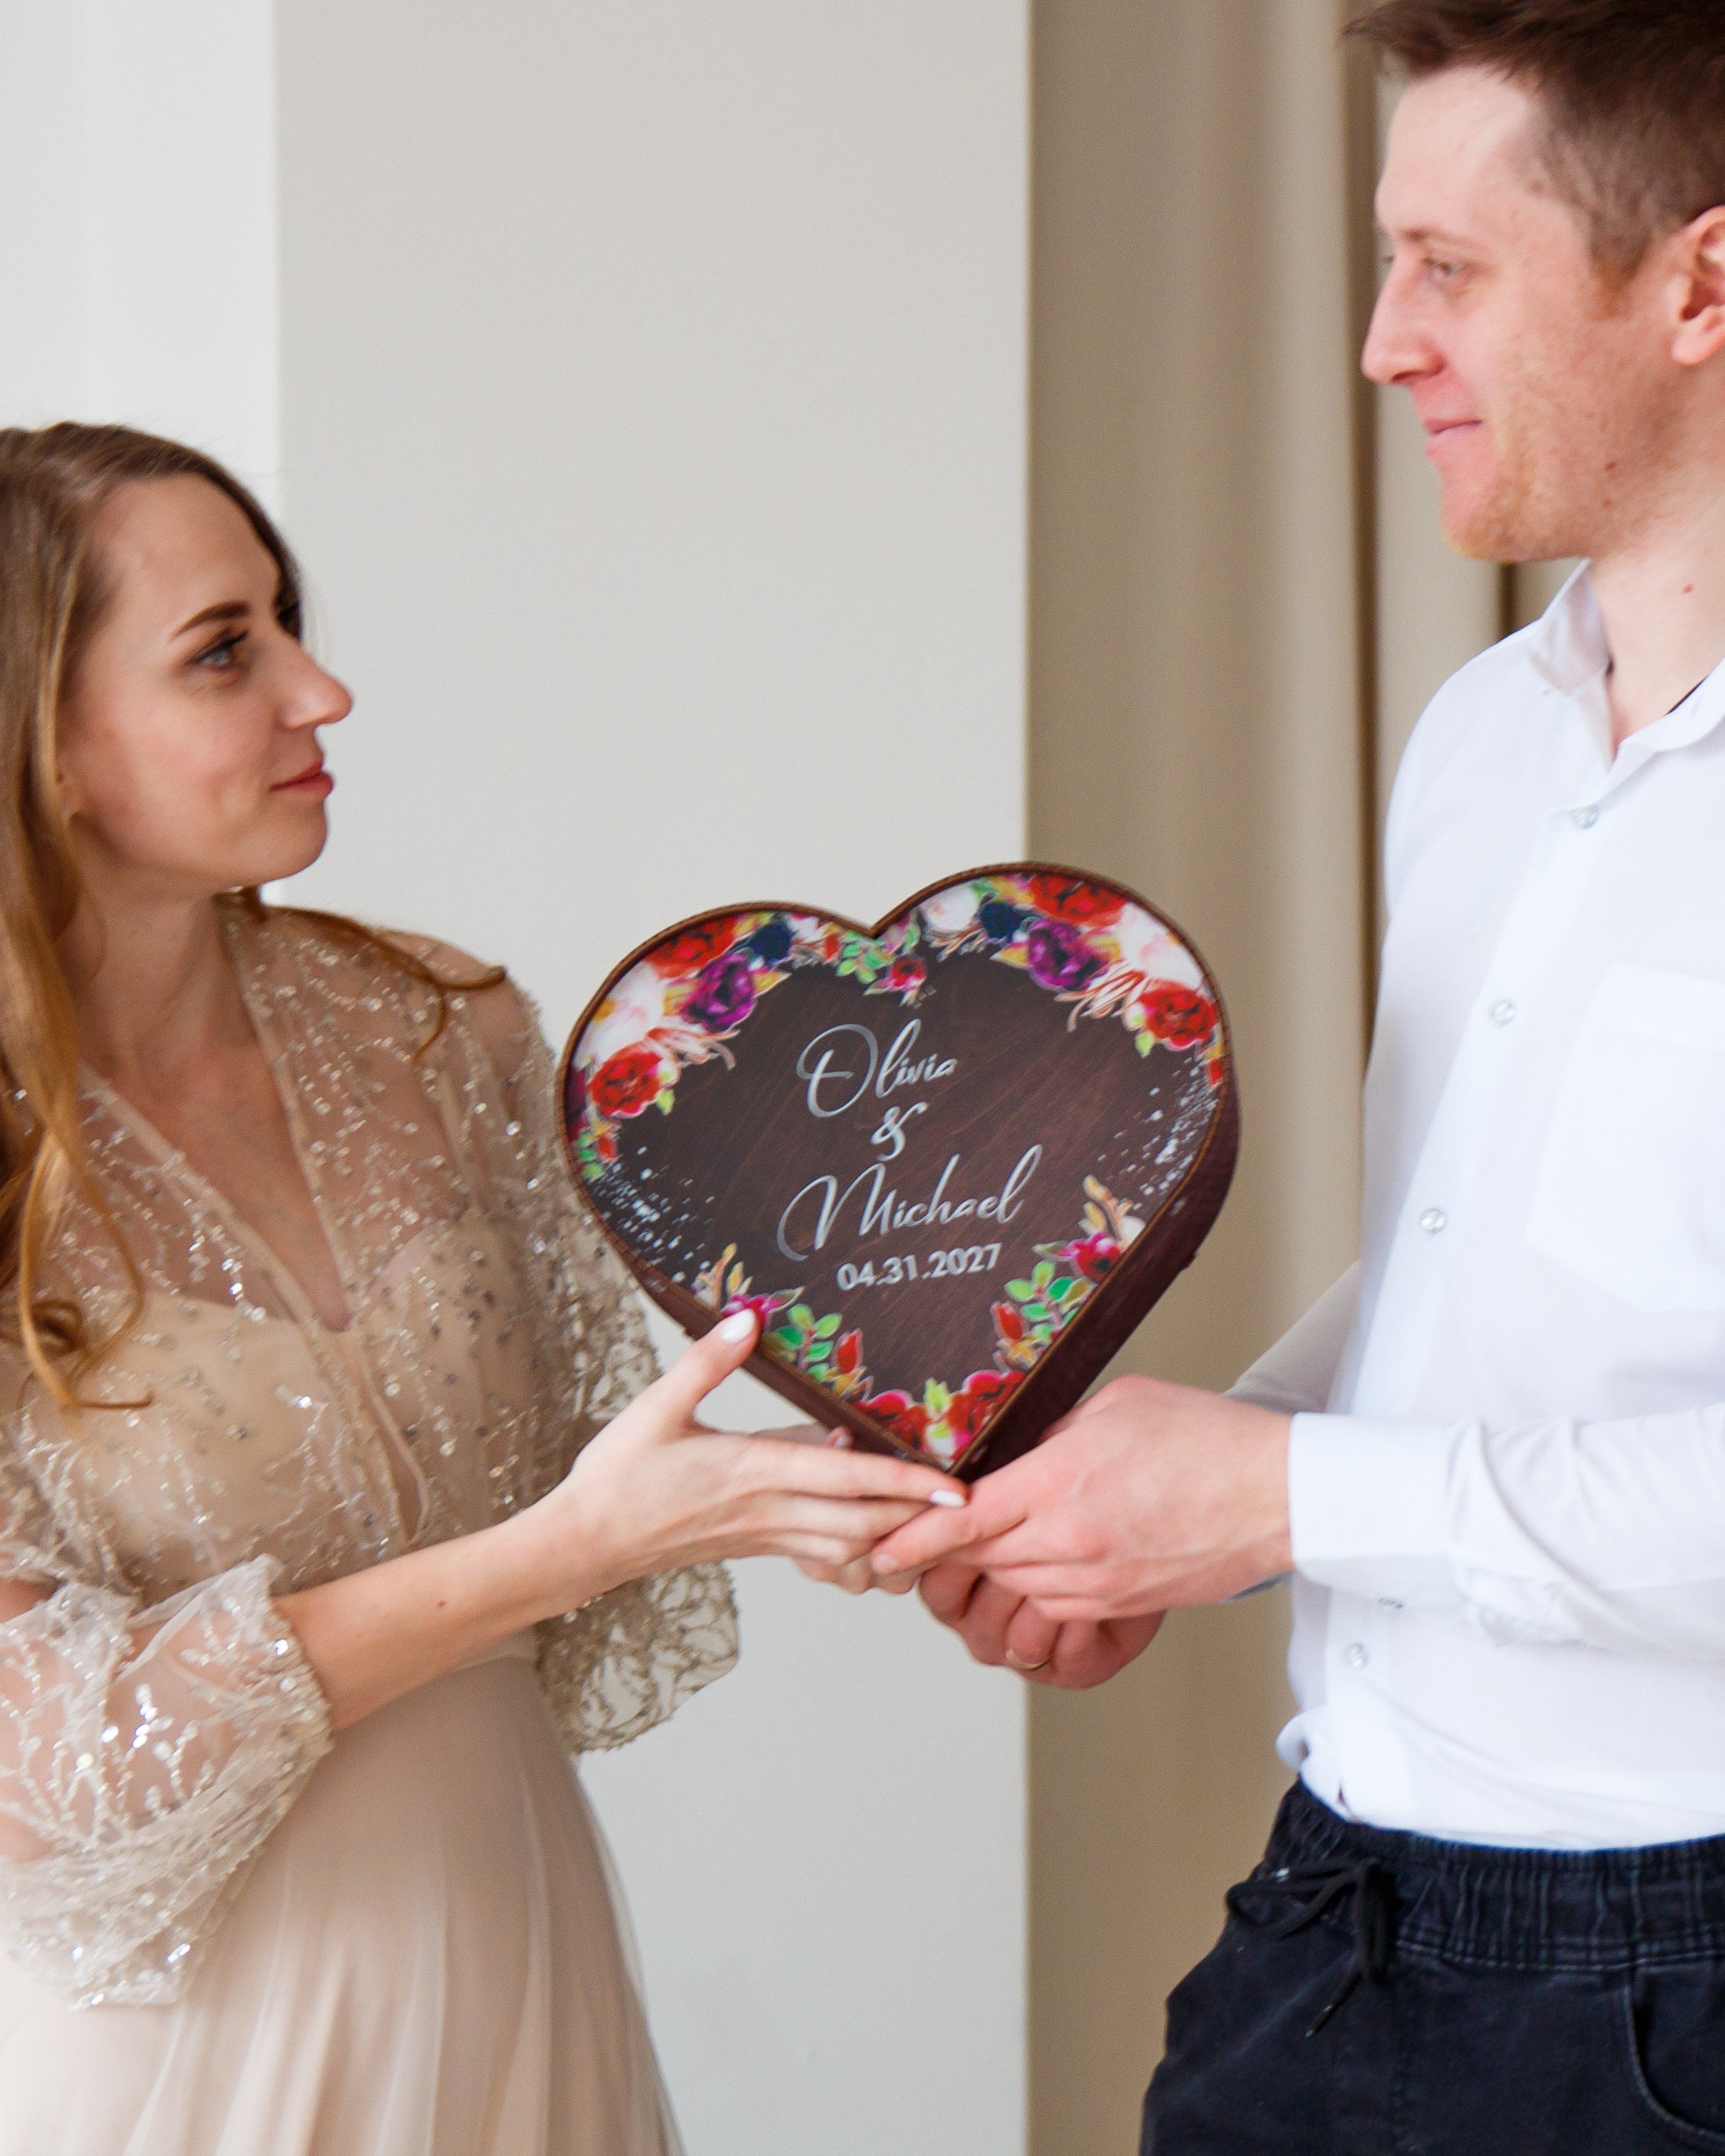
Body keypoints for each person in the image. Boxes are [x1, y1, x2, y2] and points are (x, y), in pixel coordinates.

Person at [870, 3, 1725, 2147]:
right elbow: (1466, 1257)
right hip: (1333, 1903)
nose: (1375, 342)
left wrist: (1273, 1497)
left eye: (1447, 267)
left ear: (1698, 286)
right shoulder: (1480, 742)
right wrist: (1181, 1505)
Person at [0, 420, 965, 2156]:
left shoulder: (443, 1029)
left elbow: (596, 1478)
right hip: (183, 2050)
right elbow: (47, 1770)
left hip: (511, 1933)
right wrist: (589, 1539)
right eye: (228, 651)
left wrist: (804, 1483)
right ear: (45, 743)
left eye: (289, 618)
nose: (324, 688)